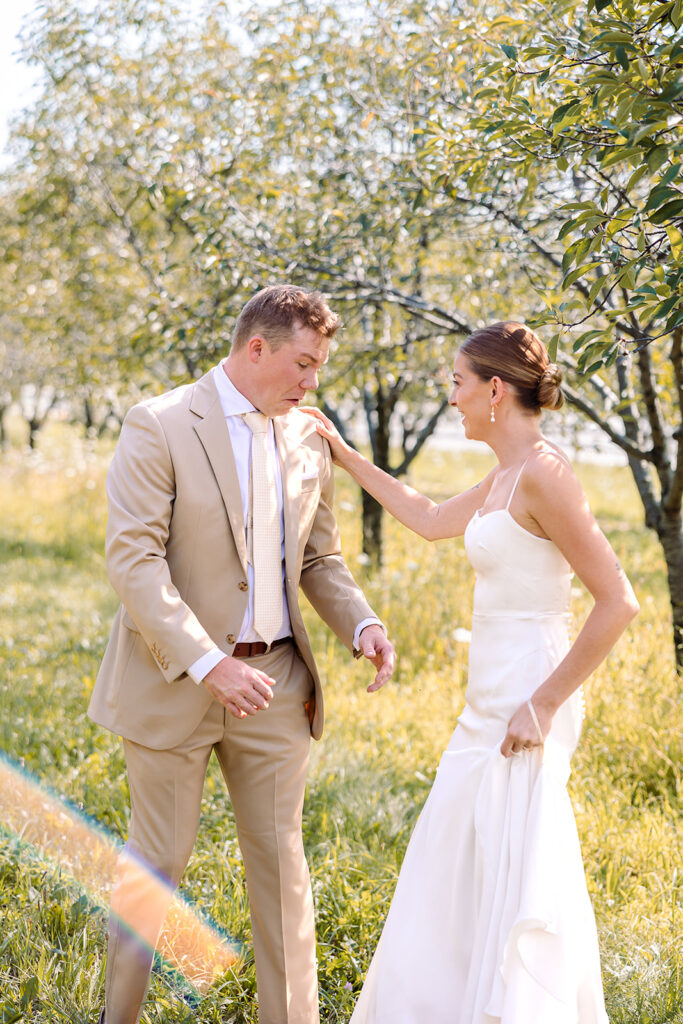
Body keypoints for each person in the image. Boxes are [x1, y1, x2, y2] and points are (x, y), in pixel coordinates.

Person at [304, 321, 639, 1024]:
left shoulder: (546, 474)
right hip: (485, 696)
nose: (449, 398)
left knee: (517, 864)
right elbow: (425, 518)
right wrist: (341, 455)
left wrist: (543, 705)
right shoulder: (505, 475)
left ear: (493, 390)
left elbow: (618, 602)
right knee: (458, 854)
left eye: (456, 383)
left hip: (527, 695)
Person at [88, 284, 396, 1024]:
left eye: (318, 365)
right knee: (156, 865)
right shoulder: (158, 423)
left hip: (279, 684)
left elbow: (318, 560)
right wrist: (207, 662)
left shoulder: (306, 437)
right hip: (174, 680)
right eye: (303, 362)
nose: (311, 380)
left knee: (283, 868)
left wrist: (362, 625)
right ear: (255, 348)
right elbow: (134, 562)